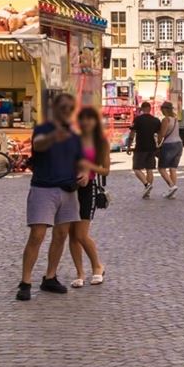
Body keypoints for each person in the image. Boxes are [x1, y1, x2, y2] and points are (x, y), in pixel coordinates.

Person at [18, 92, 83, 301]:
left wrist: (84, 173)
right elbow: (38, 145)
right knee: (37, 235)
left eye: (69, 108)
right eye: (63, 108)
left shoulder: (75, 134)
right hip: (43, 188)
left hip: (68, 189)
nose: (67, 112)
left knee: (61, 234)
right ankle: (25, 281)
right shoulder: (44, 128)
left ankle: (50, 277)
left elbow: (80, 159)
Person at [69, 105, 110, 287]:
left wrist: (89, 168)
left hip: (88, 189)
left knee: (81, 234)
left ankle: (97, 266)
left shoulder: (101, 142)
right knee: (71, 234)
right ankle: (79, 273)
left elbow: (105, 170)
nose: (86, 122)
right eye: (82, 118)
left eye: (89, 118)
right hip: (70, 187)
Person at [129, 101, 161, 198]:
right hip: (152, 147)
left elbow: (132, 133)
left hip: (140, 147)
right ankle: (147, 193)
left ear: (142, 109)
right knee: (149, 169)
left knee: (136, 168)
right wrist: (159, 144)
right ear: (150, 109)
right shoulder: (156, 120)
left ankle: (147, 185)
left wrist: (129, 145)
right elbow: (159, 134)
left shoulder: (138, 119)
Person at [156, 101, 184, 198]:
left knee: (161, 168)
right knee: (173, 169)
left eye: (162, 109)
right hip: (179, 144)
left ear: (165, 109)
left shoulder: (166, 120)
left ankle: (172, 186)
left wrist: (158, 143)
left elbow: (162, 134)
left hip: (169, 145)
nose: (161, 111)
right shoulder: (175, 119)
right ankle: (173, 192)